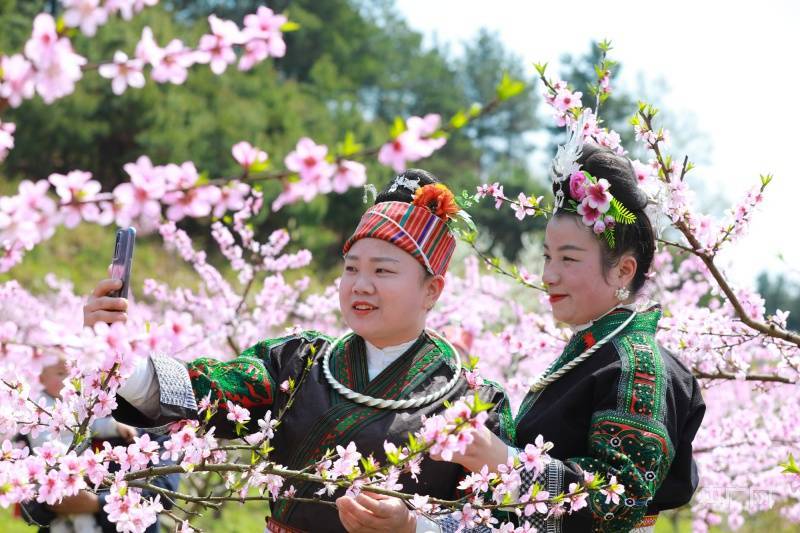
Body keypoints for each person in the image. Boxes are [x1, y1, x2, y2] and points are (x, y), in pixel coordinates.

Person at [84, 169, 514, 533]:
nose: (360, 285)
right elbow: (210, 391)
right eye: (351, 268)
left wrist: (414, 526)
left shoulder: (474, 400)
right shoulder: (299, 361)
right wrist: (120, 355)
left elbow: (501, 519)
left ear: (431, 290)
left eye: (383, 270)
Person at [439, 142, 706, 532]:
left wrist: (503, 464)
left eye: (568, 258)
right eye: (548, 257)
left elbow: (618, 501)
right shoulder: (593, 352)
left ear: (622, 270)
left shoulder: (638, 365)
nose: (548, 275)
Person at [18, 356, 179, 533]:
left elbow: (165, 492)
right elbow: (27, 502)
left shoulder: (161, 428)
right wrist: (52, 500)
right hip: (60, 492)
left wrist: (96, 503)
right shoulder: (44, 410)